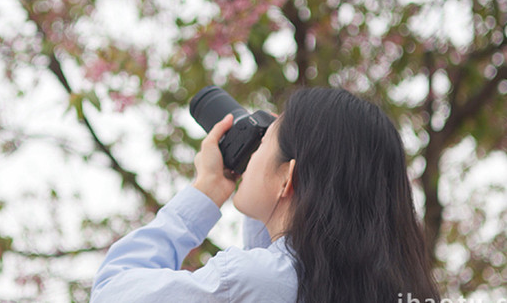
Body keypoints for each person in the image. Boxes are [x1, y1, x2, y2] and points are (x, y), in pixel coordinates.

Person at [90, 87, 440, 302]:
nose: (251, 155)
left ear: (287, 178)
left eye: (261, 145)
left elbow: (110, 291)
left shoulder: (246, 280)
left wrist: (205, 191)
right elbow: (282, 254)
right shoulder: (399, 290)